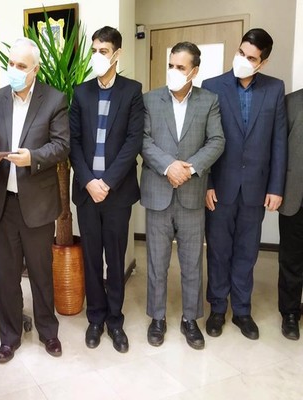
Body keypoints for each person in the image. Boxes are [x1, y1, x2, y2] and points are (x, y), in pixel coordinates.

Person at [0, 37, 70, 362]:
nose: (15, 70)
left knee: (40, 273)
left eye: (22, 66)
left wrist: (32, 157)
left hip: (37, 205)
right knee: (7, 276)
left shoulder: (54, 100)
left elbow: (61, 146)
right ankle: (9, 337)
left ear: (35, 69)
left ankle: (48, 332)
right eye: (11, 63)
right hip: (4, 203)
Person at [202, 28, 287, 340]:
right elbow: (205, 140)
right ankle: (216, 308)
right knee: (218, 250)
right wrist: (207, 182)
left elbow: (279, 141)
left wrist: (276, 187)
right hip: (220, 186)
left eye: (251, 58)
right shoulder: (212, 86)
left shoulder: (274, 89)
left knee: (247, 252)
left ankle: (241, 310)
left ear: (262, 63)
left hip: (256, 187)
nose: (243, 60)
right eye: (241, 53)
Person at [141, 42, 225, 349]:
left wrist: (189, 169)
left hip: (191, 194)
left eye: (180, 67)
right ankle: (157, 317)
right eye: (171, 65)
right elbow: (143, 140)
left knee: (192, 263)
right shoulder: (150, 99)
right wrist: (168, 166)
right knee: (157, 262)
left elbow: (216, 141)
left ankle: (191, 319)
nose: (174, 71)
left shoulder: (209, 101)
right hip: (158, 192)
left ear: (194, 71)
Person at [69, 26, 144, 353]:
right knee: (90, 257)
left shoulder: (132, 91)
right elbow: (73, 142)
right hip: (87, 192)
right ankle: (95, 318)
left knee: (114, 259)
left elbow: (133, 141)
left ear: (117, 54)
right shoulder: (81, 93)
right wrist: (89, 181)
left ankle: (115, 319)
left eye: (103, 51)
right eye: (94, 51)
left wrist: (107, 182)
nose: (97, 56)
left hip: (117, 192)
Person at [278, 87, 303, 340]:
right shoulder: (290, 102)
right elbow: (278, 149)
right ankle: (290, 314)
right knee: (291, 259)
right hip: (295, 195)